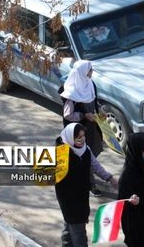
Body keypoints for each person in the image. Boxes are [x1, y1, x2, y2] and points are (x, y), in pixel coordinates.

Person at [55, 123, 118, 247]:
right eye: (78, 137)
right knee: (78, 231)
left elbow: (95, 165)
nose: (82, 139)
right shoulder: (60, 154)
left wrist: (109, 178)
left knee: (70, 225)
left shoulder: (85, 149)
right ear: (70, 138)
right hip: (68, 199)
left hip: (82, 195)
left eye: (83, 136)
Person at [60, 60, 103, 196]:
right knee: (85, 156)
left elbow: (94, 101)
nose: (92, 72)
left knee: (92, 154)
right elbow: (68, 115)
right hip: (80, 131)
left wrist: (100, 110)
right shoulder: (71, 92)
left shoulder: (90, 84)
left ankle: (87, 175)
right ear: (83, 72)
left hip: (92, 128)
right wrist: (84, 115)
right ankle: (91, 184)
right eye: (90, 70)